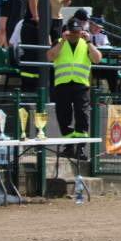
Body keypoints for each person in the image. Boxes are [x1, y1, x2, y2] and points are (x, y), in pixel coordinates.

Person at [47, 18, 102, 160]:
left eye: (78, 32)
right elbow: (49, 57)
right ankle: (69, 147)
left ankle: (81, 148)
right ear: (67, 31)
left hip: (80, 85)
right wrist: (63, 42)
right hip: (62, 85)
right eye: (73, 32)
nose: (75, 35)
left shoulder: (86, 44)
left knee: (82, 116)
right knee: (63, 116)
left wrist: (89, 42)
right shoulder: (59, 42)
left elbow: (97, 59)